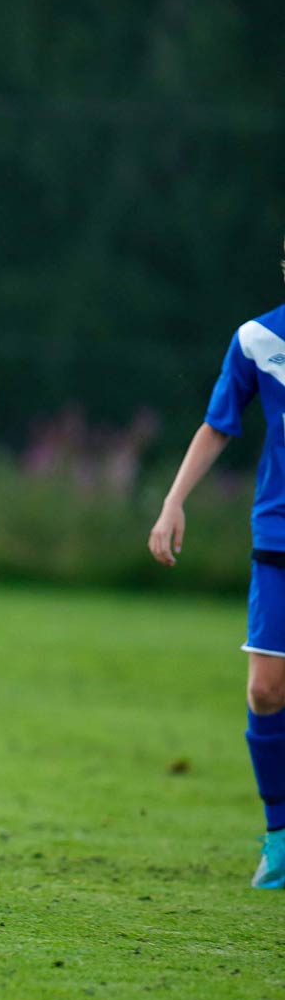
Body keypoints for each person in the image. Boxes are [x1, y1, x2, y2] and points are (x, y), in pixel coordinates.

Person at [147, 243, 285, 889]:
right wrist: (174, 502)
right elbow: (217, 424)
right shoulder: (258, 339)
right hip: (278, 537)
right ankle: (279, 839)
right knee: (265, 689)